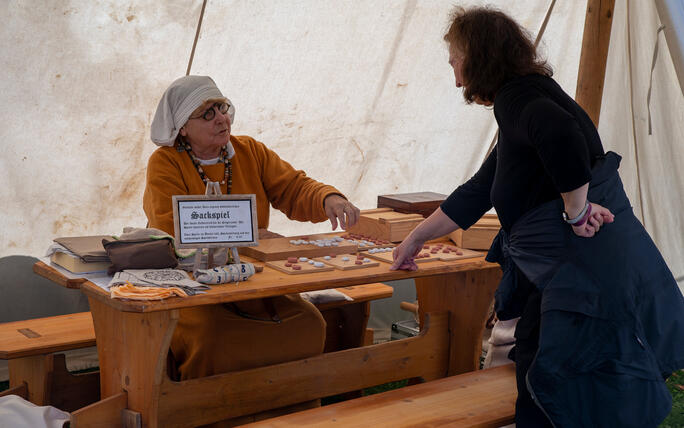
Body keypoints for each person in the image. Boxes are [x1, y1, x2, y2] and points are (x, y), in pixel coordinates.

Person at [391, 7, 684, 427]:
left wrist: (576, 209)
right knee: (556, 372)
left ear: (478, 55)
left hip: (575, 279)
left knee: (555, 381)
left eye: (455, 59)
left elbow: (560, 134)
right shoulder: (532, 92)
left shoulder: (519, 98)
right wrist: (416, 238)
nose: (455, 72)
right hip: (571, 276)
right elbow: (479, 190)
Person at [143, 75, 360, 386]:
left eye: (221, 107)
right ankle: (212, 413)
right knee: (212, 336)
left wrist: (328, 198)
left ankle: (289, 407)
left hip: (252, 280)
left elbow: (294, 187)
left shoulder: (249, 151)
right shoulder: (165, 163)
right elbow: (171, 228)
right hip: (194, 290)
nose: (221, 118)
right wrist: (252, 236)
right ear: (182, 127)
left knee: (307, 323)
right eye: (207, 113)